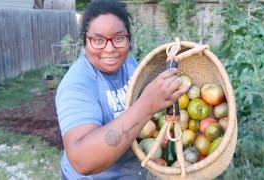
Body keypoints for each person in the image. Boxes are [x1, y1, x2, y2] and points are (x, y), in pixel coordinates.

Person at [55, 0, 188, 179]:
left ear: (128, 38)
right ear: (85, 40)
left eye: (118, 38)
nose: (110, 49)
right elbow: (81, 160)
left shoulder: (130, 64)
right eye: (98, 40)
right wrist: (147, 105)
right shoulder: (77, 84)